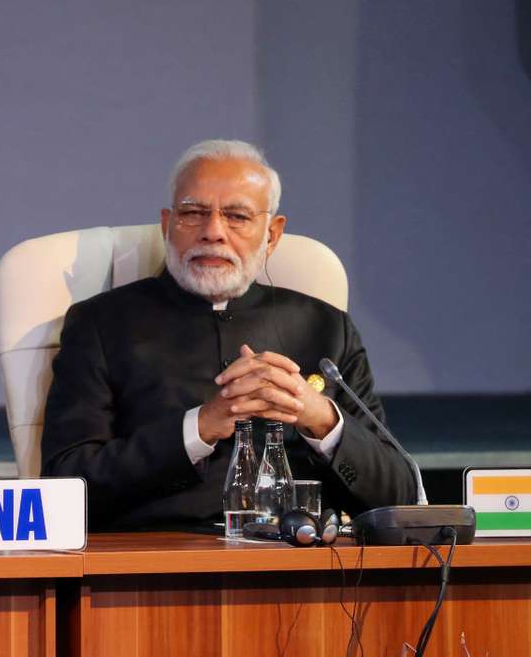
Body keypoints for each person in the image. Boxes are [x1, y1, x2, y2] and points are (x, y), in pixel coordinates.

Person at [40, 139, 416, 532]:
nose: (213, 232)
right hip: (152, 569)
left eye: (236, 216)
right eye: (193, 213)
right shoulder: (101, 325)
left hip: (302, 572)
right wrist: (199, 427)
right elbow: (65, 491)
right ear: (168, 225)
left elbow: (400, 500)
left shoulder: (325, 328)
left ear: (272, 234)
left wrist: (320, 418)